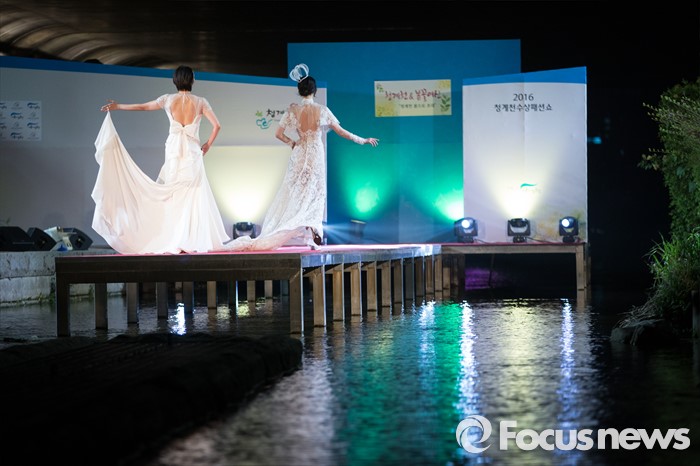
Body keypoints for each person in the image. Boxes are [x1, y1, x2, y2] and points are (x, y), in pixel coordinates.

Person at [226, 63, 379, 251]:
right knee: (315, 193)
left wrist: (293, 143)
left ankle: (306, 231)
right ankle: (313, 230)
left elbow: (278, 134)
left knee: (297, 193)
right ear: (314, 91)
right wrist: (362, 140)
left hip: (299, 153)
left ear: (300, 91)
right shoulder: (321, 110)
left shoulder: (293, 111)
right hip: (315, 154)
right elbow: (341, 131)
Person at [92, 65, 231, 254]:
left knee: (173, 194)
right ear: (192, 80)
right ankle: (190, 238)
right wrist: (207, 145)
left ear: (175, 81)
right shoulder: (200, 102)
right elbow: (217, 125)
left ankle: (174, 238)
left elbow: (143, 107)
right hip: (192, 153)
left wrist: (119, 106)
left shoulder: (168, 99)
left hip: (174, 151)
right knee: (193, 194)